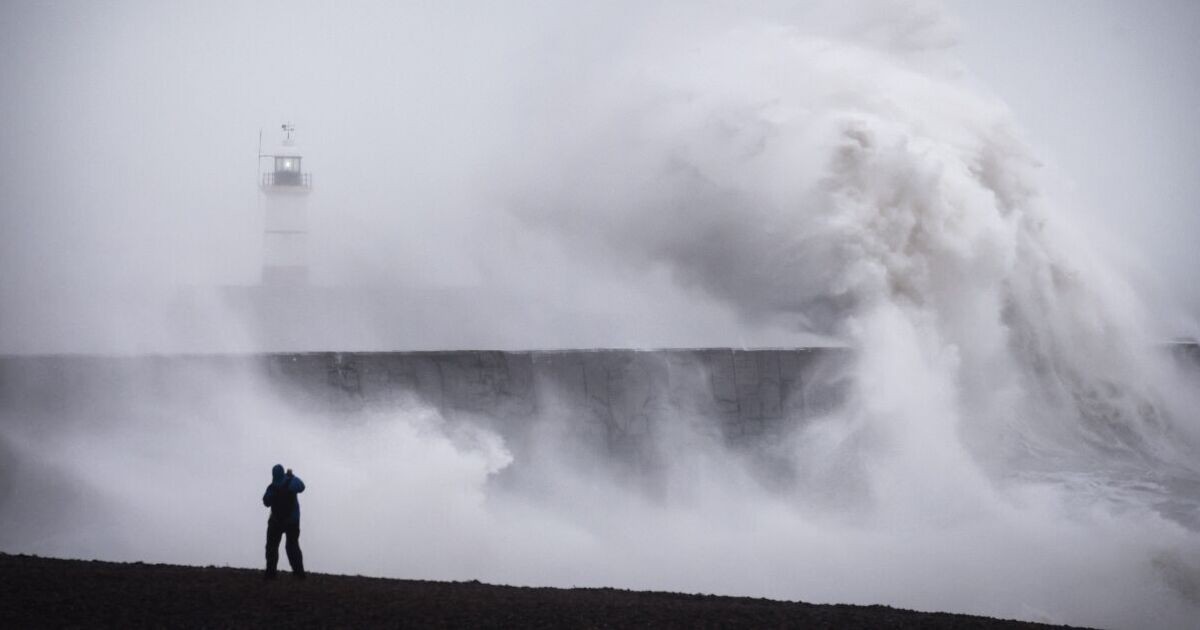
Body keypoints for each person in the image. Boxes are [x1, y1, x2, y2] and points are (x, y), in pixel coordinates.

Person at [262, 463, 306, 579]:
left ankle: (270, 574)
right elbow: (302, 487)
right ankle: (299, 574)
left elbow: (266, 502)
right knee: (292, 546)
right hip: (292, 521)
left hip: (276, 521)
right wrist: (291, 476)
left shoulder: (272, 487)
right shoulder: (291, 481)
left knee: (271, 546)